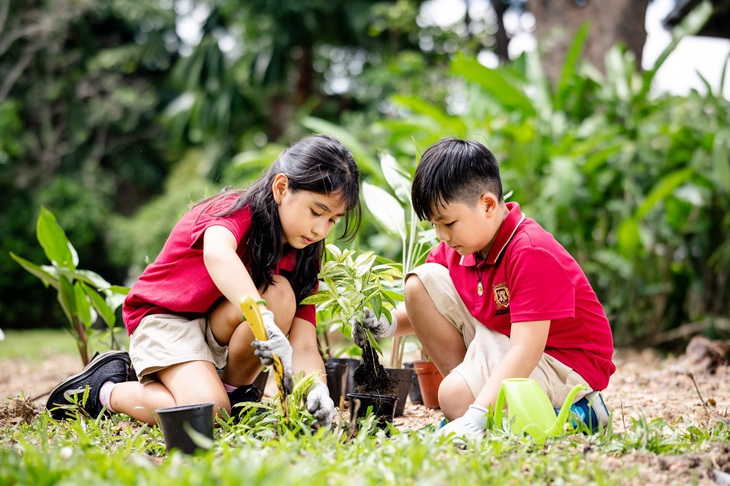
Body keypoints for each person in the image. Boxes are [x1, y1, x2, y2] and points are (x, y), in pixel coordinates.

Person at [46, 134, 362, 429]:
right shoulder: (234, 210)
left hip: (216, 323)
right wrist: (261, 318)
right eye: (316, 211)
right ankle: (104, 390)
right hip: (166, 319)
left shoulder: (305, 254)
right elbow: (217, 255)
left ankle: (227, 392)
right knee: (209, 415)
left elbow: (304, 343)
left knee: (281, 294)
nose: (321, 229)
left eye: (333, 219)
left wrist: (318, 387)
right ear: (281, 188)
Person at [353, 137, 615, 443]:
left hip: (562, 362)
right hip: (506, 341)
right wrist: (388, 324)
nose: (441, 235)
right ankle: (478, 402)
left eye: (448, 223)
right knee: (420, 282)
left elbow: (526, 348)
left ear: (488, 204)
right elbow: (434, 304)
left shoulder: (530, 251)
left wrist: (477, 415)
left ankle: (580, 409)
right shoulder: (465, 246)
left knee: (453, 398)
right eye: (435, 224)